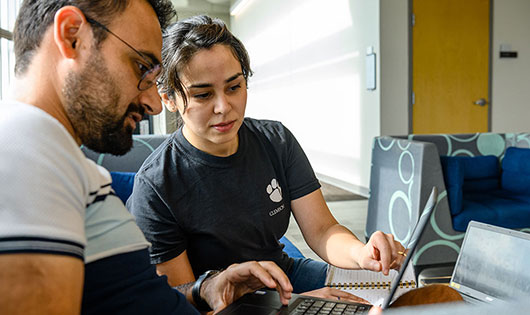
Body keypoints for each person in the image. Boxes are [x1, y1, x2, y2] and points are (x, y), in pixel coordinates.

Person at [0, 1, 293, 314]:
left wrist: (203, 288)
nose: (154, 104)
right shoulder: (22, 148)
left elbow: (133, 296)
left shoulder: (70, 170)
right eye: (141, 68)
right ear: (72, 36)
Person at [128, 15, 406, 300]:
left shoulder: (276, 140)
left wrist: (362, 254)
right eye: (202, 95)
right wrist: (295, 306)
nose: (224, 107)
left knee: (396, 291)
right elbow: (184, 302)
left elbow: (322, 230)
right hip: (225, 301)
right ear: (169, 99)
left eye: (234, 87)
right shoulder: (156, 186)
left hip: (283, 276)